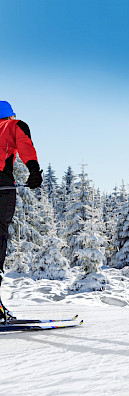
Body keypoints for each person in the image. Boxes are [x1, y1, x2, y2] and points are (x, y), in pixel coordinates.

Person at [0, 100, 42, 322]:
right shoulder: (12, 126)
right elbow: (25, 145)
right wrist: (33, 171)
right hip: (1, 186)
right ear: (9, 115)